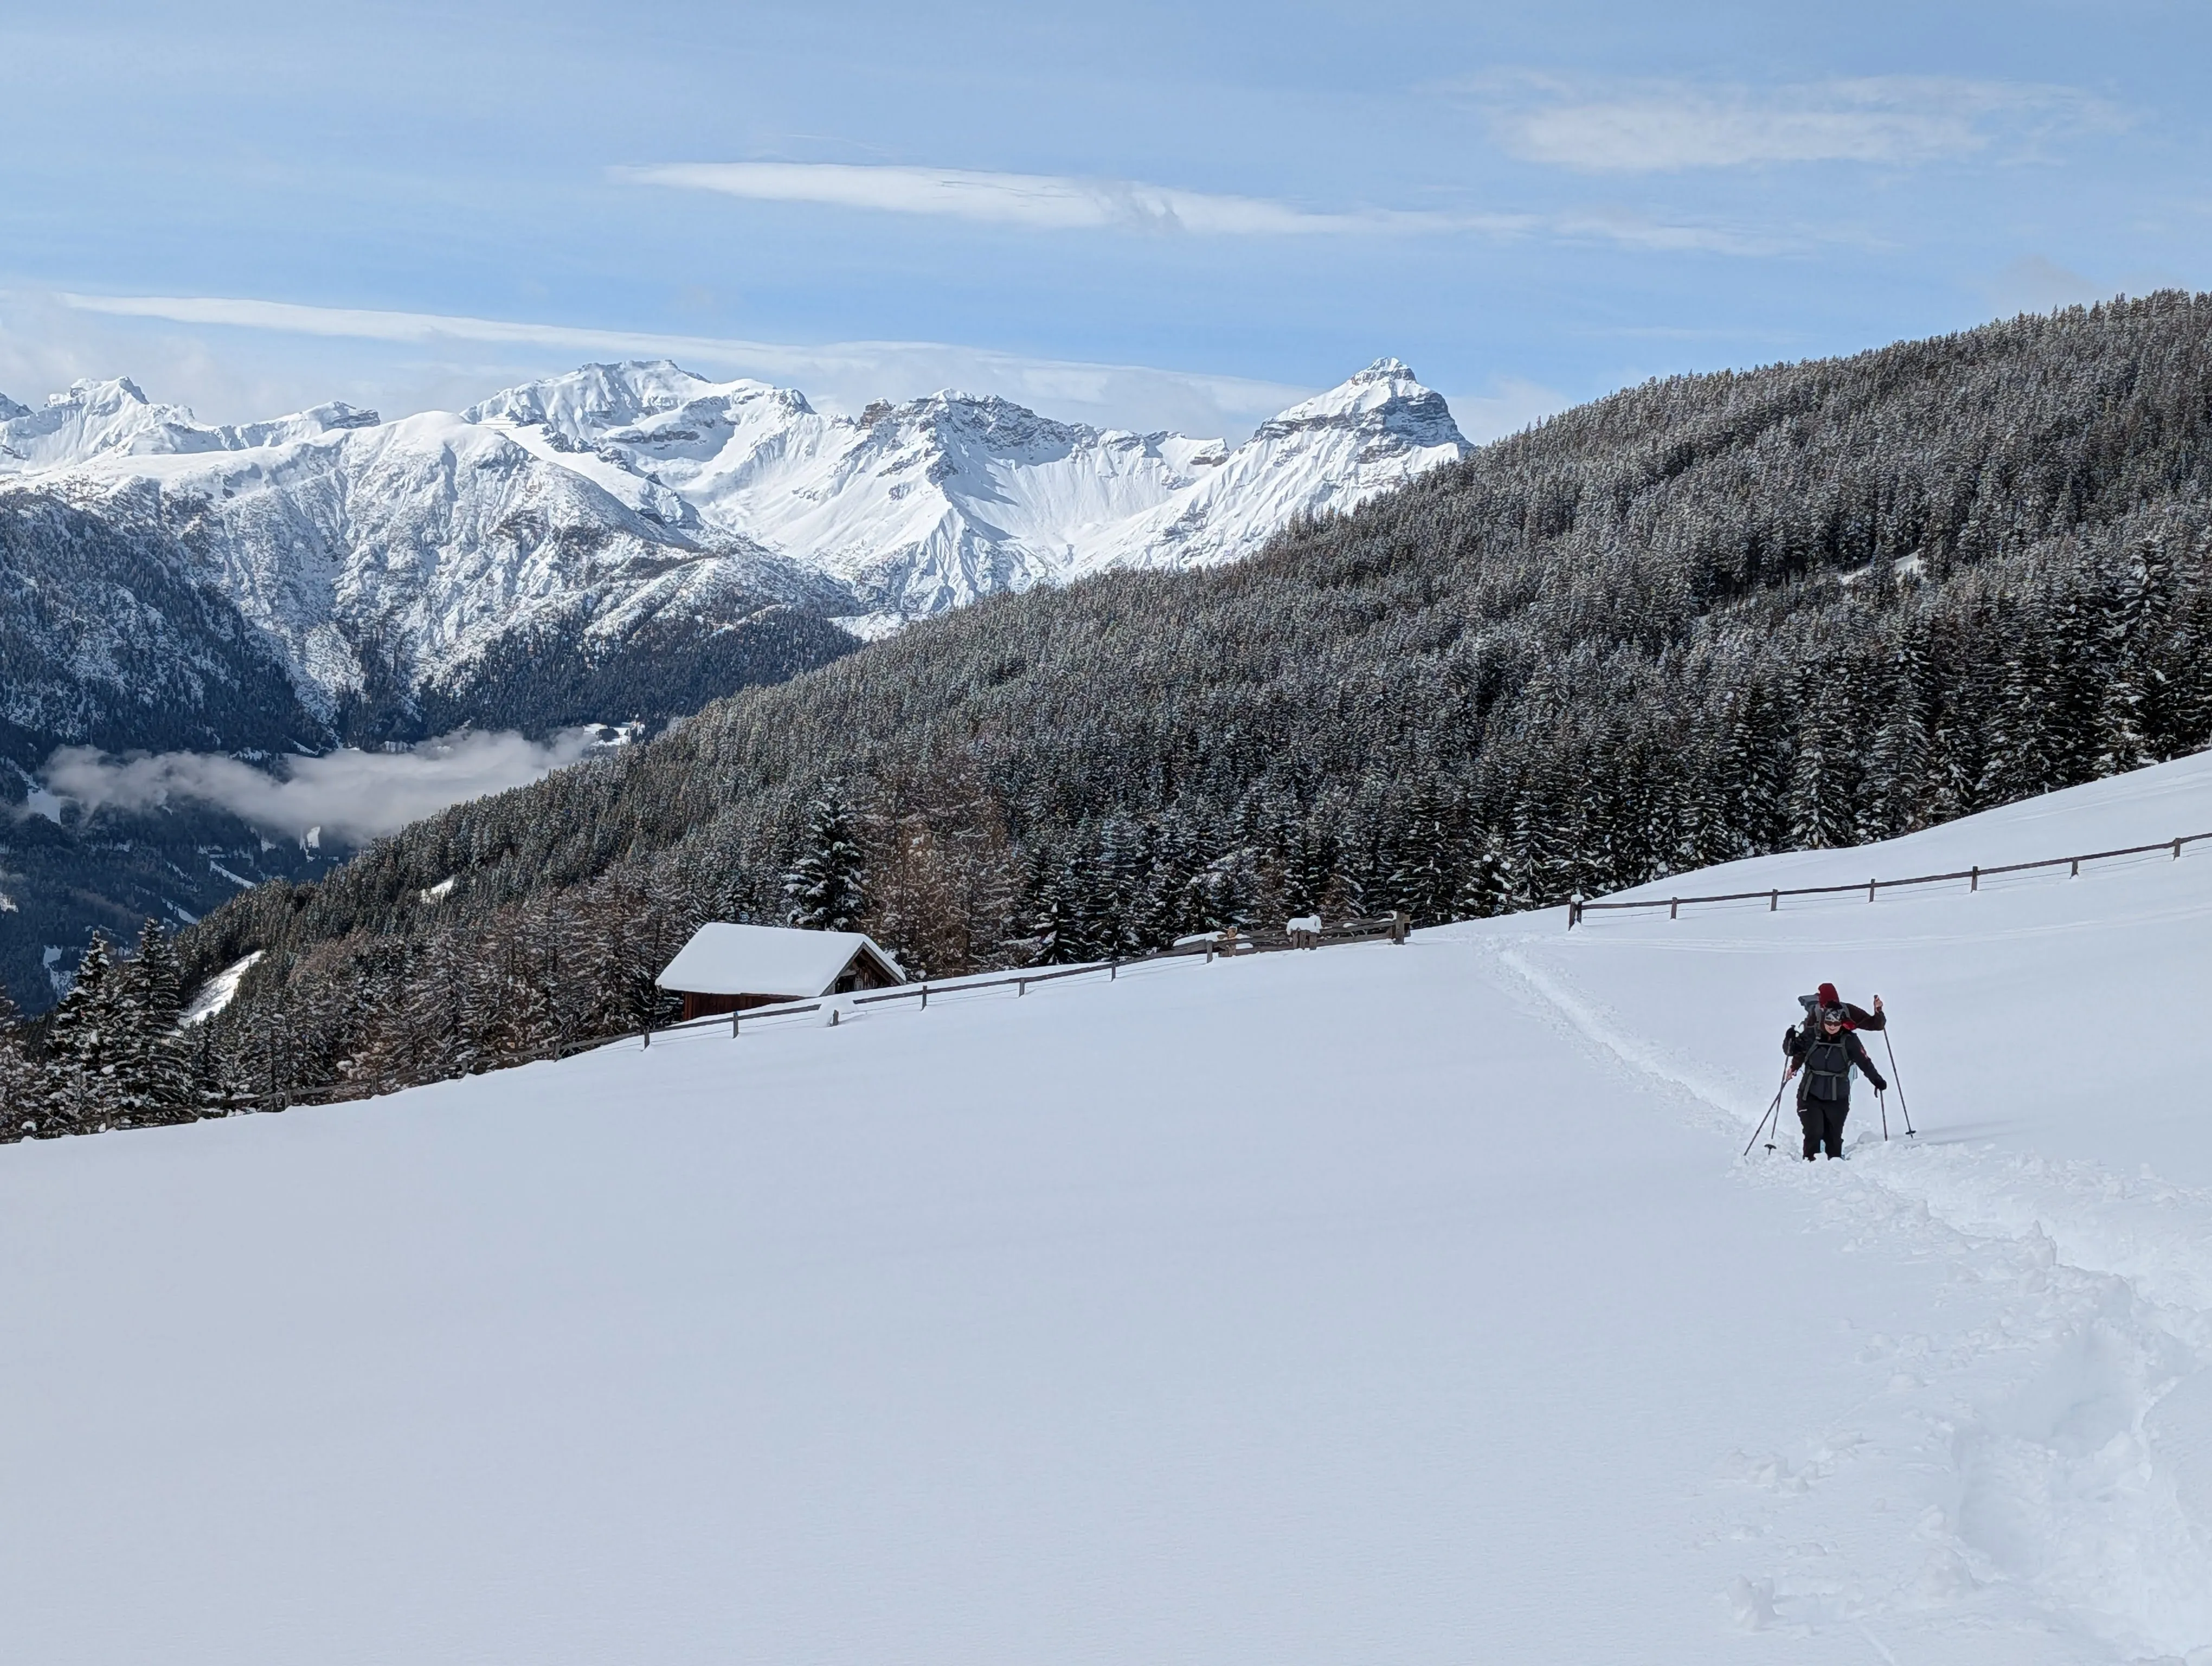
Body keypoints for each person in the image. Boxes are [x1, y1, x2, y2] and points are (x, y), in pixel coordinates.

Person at [1784, 1004, 1887, 1161]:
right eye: (1829, 1023)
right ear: (1824, 1021)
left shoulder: (1849, 1040)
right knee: (1814, 1133)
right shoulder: (1812, 1035)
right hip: (1810, 1095)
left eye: (1836, 1024)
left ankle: (1836, 1173)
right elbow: (1791, 1051)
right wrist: (1789, 1039)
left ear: (1841, 1023)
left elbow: (1864, 1062)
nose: (1832, 1027)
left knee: (1834, 1138)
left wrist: (1877, 1080)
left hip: (1838, 1097)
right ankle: (1809, 1169)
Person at [1795, 980, 1885, 1032]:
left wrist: (1878, 1012)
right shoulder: (1816, 1013)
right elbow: (1807, 1037)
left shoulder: (1848, 1010)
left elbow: (1875, 1025)